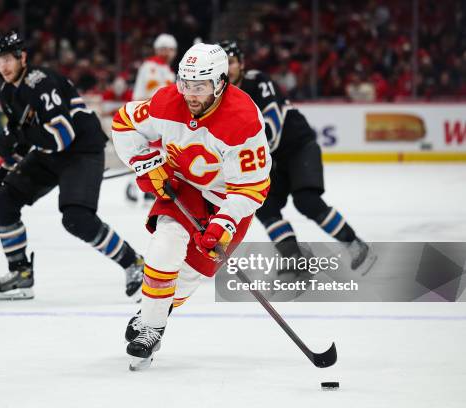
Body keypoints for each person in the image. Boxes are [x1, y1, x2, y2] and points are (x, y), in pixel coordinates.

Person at [112, 43, 271, 370]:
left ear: (221, 83)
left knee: (187, 278)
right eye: (185, 84)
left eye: (200, 86)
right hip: (183, 188)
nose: (191, 94)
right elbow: (125, 122)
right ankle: (153, 329)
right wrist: (146, 164)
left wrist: (224, 222)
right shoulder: (168, 100)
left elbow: (252, 186)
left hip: (228, 200)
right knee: (164, 247)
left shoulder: (242, 119)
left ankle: (152, 312)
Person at [0, 31, 144, 300]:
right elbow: (25, 139)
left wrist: (18, 138)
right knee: (3, 202)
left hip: (82, 151)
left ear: (22, 57)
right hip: (52, 152)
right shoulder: (8, 92)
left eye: (8, 58)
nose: (3, 66)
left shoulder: (42, 83)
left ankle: (134, 263)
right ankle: (21, 274)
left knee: (76, 218)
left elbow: (62, 136)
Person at [219, 40, 376, 275]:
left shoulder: (258, 81)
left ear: (241, 63)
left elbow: (271, 124)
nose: (227, 68)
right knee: (264, 206)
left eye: (230, 62)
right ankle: (294, 260)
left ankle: (354, 244)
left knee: (307, 201)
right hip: (272, 157)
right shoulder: (221, 97)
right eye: (222, 64)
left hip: (298, 146)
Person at [126, 33, 178, 203]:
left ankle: (148, 186)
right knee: (147, 152)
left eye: (170, 50)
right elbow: (150, 91)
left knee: (155, 152)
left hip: (158, 116)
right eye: (165, 49)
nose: (168, 53)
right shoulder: (151, 67)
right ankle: (134, 187)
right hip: (148, 115)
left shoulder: (168, 70)